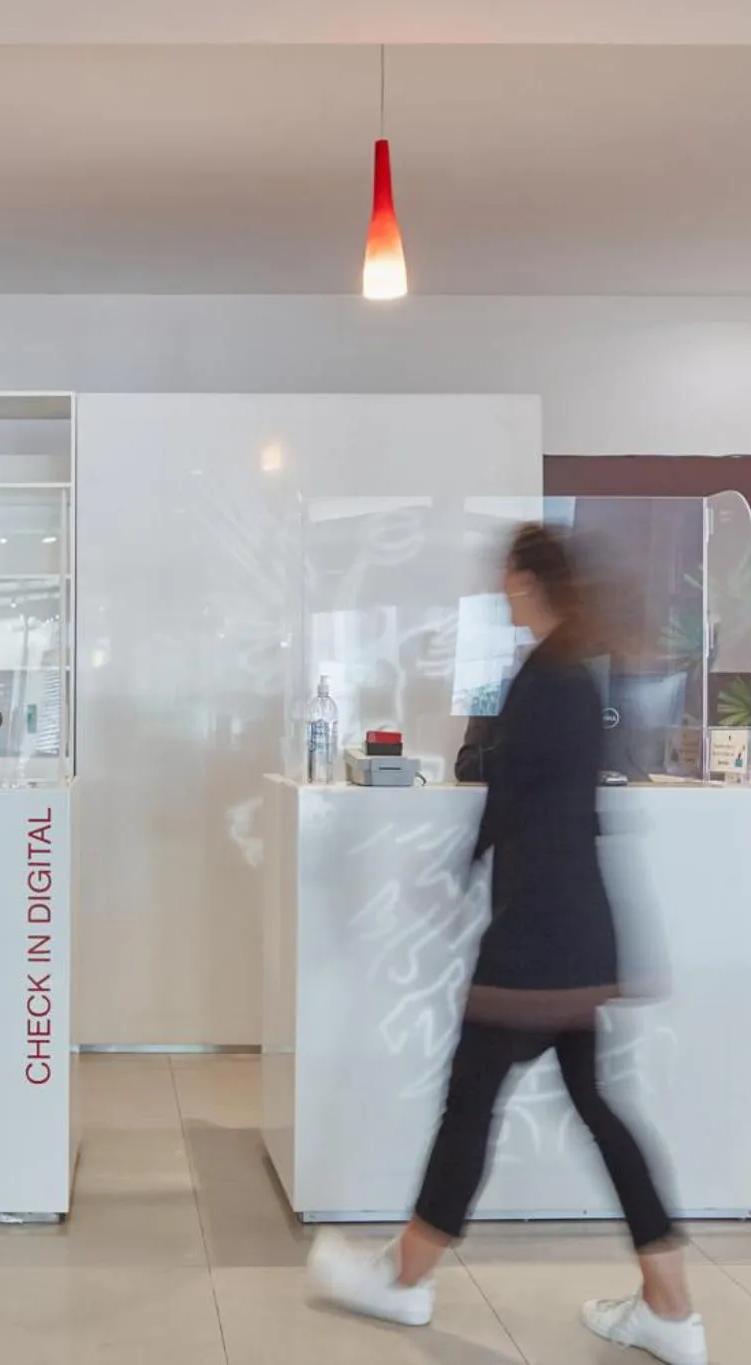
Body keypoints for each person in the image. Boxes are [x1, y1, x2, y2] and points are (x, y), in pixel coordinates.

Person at [307, 522, 705, 1365]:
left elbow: (515, 802)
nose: (499, 593)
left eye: (504, 580)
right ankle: (670, 1308)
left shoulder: (545, 676)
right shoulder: (573, 668)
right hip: (577, 926)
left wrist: (464, 872)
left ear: (527, 580)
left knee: (471, 1103)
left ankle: (405, 1278)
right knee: (594, 1107)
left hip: (536, 937)